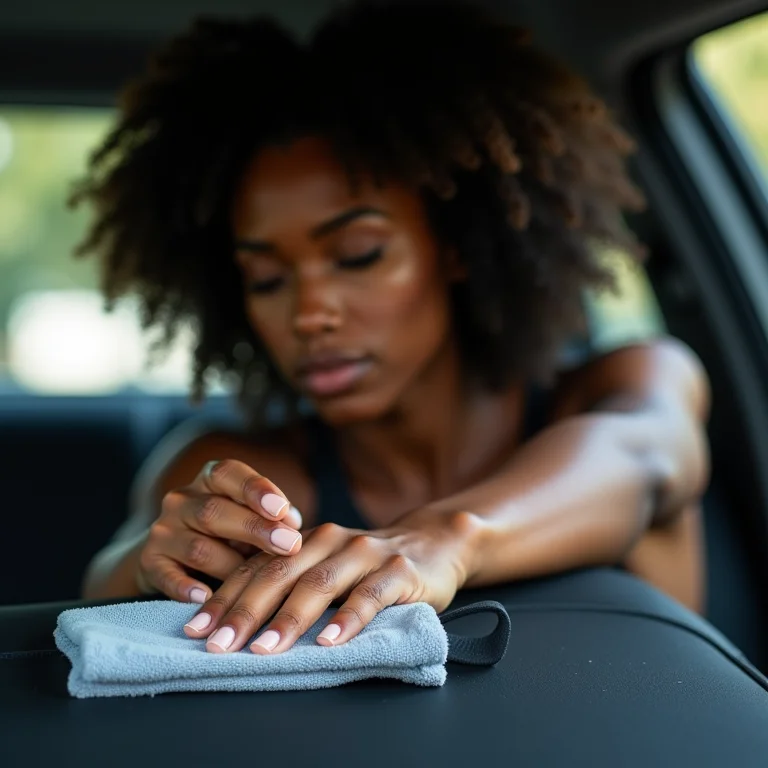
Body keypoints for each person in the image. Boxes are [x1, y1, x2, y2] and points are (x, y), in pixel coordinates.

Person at [75, 0, 710, 656]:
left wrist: (448, 539)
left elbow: (644, 454)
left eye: (358, 255)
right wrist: (149, 570)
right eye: (266, 279)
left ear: (457, 247)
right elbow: (105, 576)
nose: (308, 312)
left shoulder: (627, 383)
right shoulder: (261, 485)